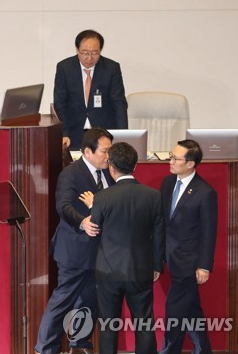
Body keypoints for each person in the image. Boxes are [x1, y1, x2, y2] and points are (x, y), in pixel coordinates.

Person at [35, 128, 114, 354]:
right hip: (75, 250)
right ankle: (45, 349)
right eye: (104, 151)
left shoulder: (109, 172)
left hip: (101, 253)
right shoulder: (72, 173)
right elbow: (64, 206)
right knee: (63, 301)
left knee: (90, 301)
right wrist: (82, 222)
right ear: (87, 151)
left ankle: (79, 344)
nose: (108, 156)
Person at [86, 142, 164, 354]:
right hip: (141, 269)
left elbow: (95, 228)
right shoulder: (154, 196)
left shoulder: (102, 197)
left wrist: (93, 208)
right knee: (144, 324)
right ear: (135, 165)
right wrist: (157, 265)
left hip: (108, 271)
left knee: (108, 327)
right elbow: (158, 234)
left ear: (111, 167)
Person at [159, 140, 217, 354]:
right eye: (171, 156)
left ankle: (168, 350)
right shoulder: (167, 183)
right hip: (169, 257)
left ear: (191, 163)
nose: (170, 161)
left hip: (189, 263)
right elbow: (163, 223)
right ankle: (203, 350)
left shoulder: (205, 192)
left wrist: (204, 265)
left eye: (176, 158)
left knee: (174, 311)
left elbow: (209, 232)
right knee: (190, 309)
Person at [53, 29, 128, 150]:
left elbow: (119, 103)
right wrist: (64, 133)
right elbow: (60, 103)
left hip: (103, 133)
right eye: (85, 53)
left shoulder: (111, 68)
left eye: (95, 53)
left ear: (100, 51)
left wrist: (123, 136)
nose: (89, 58)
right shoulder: (64, 68)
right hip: (73, 132)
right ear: (77, 50)